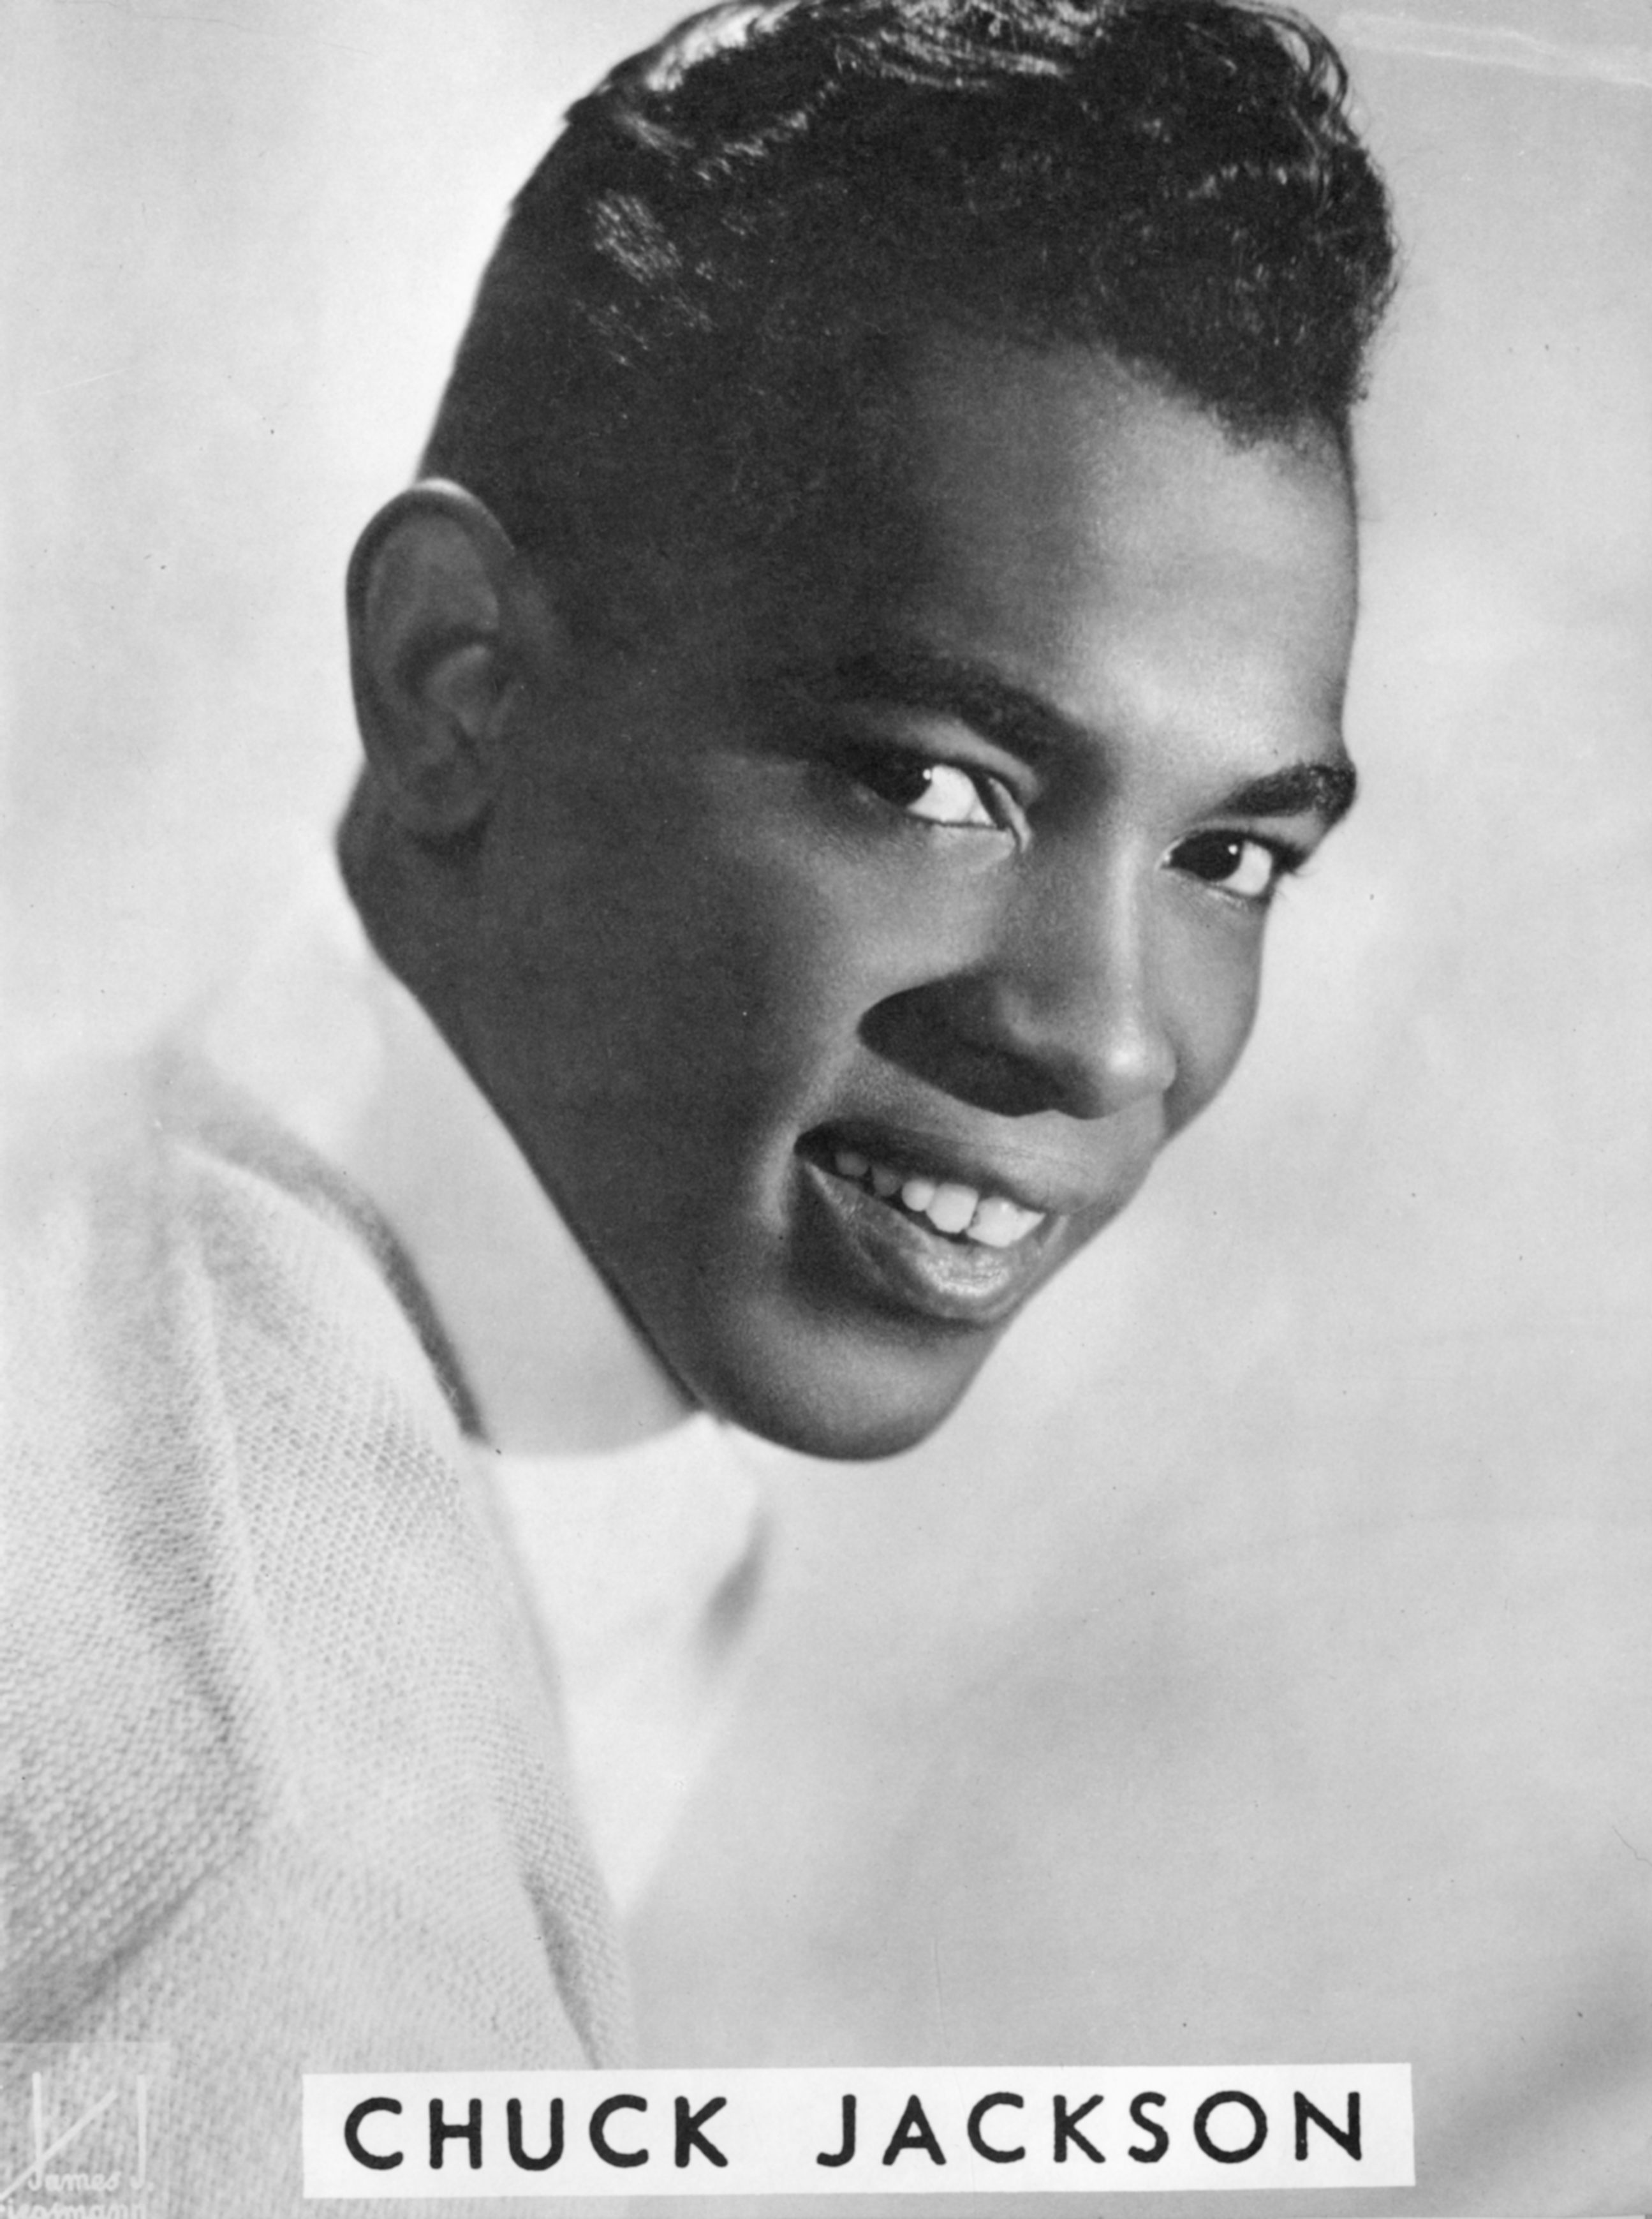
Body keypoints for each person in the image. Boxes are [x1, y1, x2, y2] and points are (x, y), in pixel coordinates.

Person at [0, 1, 1395, 2209]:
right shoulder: (283, 1897)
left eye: (1228, 853)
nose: (1109, 1036)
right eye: (934, 782)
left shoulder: (137, 1186)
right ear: (455, 680)